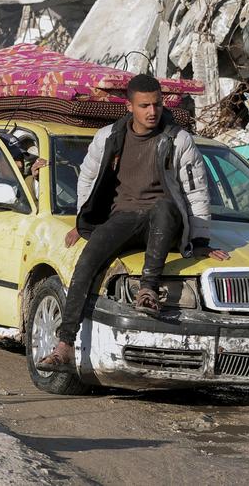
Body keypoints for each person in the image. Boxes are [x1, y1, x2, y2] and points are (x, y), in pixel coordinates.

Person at [36, 74, 228, 373]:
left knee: (163, 206)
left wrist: (200, 240)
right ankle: (65, 345)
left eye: (157, 104)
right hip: (123, 218)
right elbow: (88, 178)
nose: (152, 111)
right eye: (144, 106)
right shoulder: (109, 137)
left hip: (165, 223)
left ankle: (148, 289)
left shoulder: (177, 139)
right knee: (87, 261)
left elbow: (196, 190)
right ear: (129, 107)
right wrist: (84, 221)